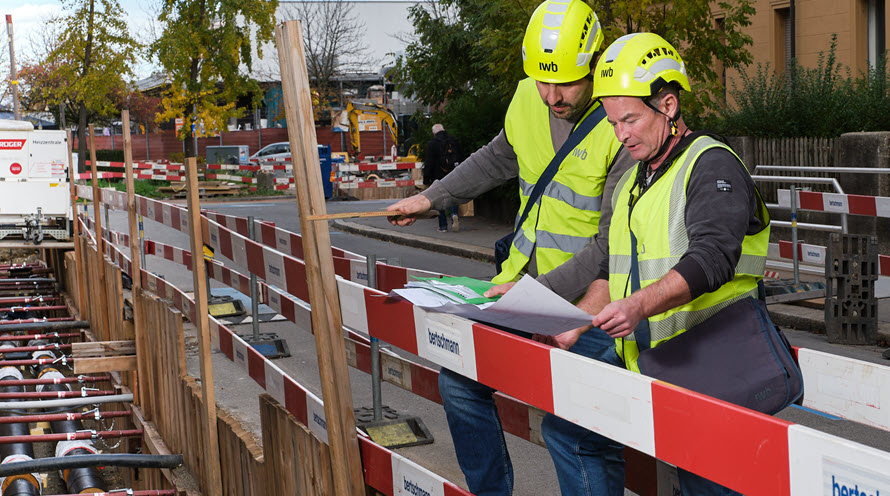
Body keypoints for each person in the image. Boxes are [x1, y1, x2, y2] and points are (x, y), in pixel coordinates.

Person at [387, 1, 634, 494]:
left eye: (565, 82)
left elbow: (611, 245)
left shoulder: (622, 122)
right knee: (459, 380)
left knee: (575, 432)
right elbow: (495, 160)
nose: (551, 95)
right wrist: (430, 197)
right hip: (520, 289)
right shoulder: (528, 98)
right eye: (543, 81)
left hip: (588, 301)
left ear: (593, 64)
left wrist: (537, 295)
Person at [528, 32, 771, 495]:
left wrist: (640, 305)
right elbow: (610, 265)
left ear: (669, 106)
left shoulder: (711, 165)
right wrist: (579, 322)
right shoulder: (634, 181)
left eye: (631, 120)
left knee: (708, 484)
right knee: (570, 432)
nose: (621, 134)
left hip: (715, 369)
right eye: (612, 122)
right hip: (657, 362)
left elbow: (713, 257)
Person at [424, 123, 463, 232]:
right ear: (444, 130)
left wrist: (426, 178)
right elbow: (461, 157)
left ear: (434, 133)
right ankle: (454, 214)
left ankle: (443, 226)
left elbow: (429, 163)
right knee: (453, 195)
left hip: (438, 176)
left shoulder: (432, 144)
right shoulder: (454, 141)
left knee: (439, 199)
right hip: (453, 173)